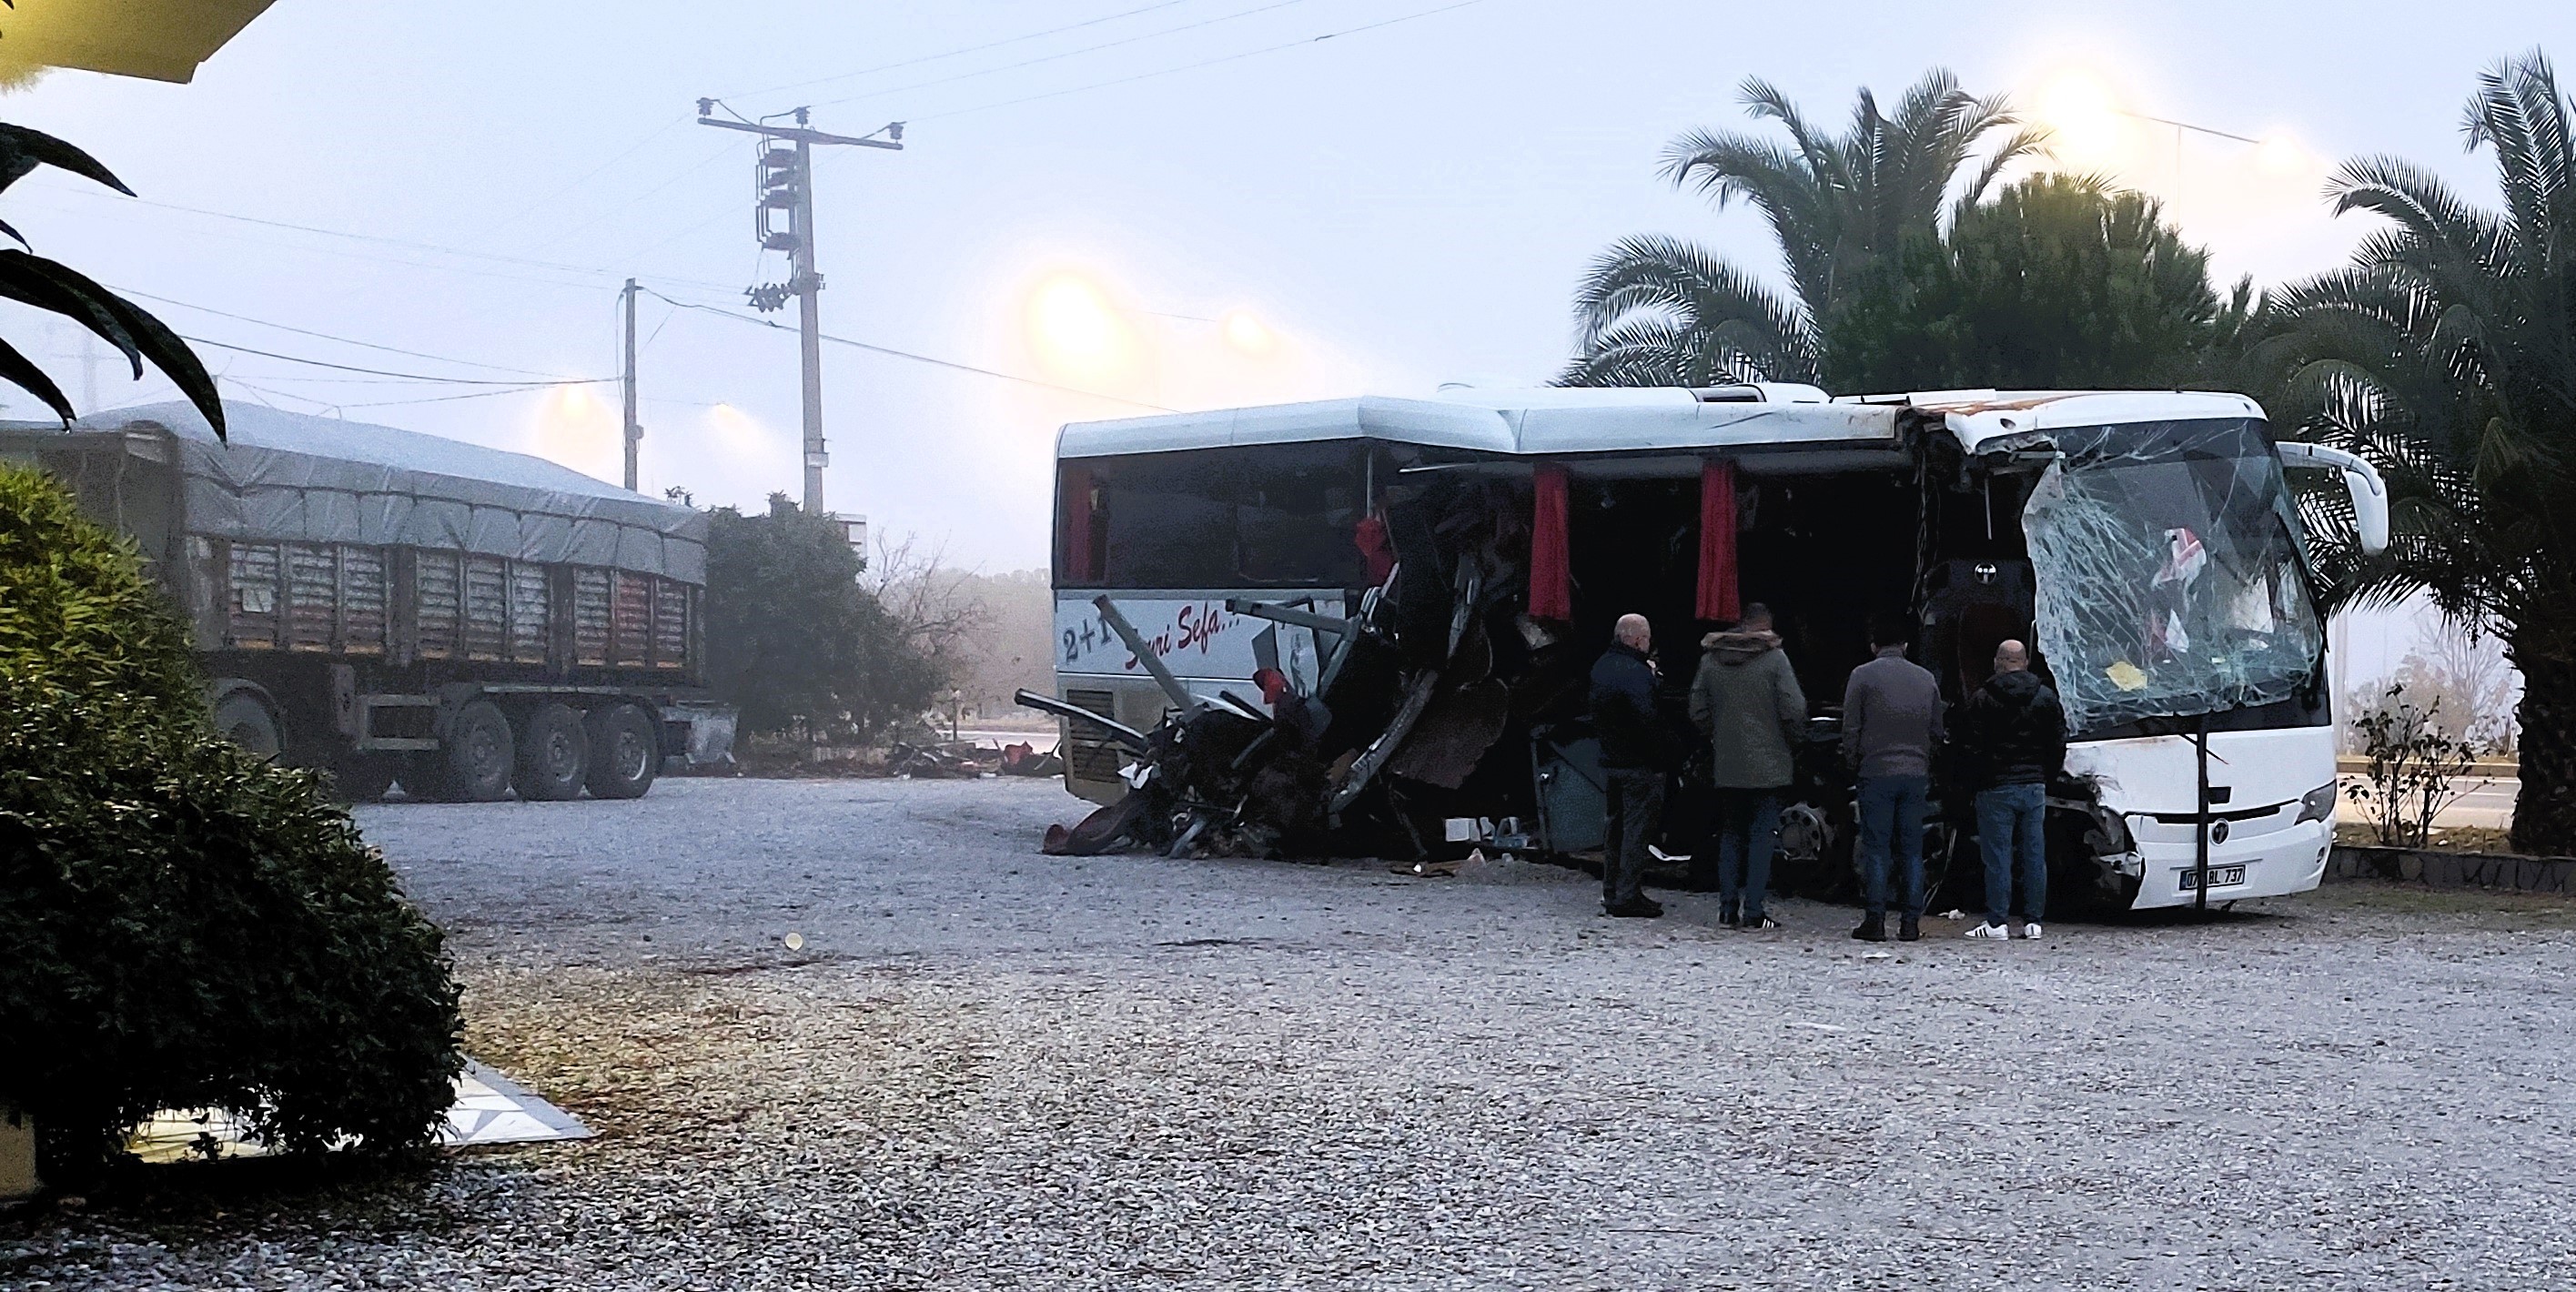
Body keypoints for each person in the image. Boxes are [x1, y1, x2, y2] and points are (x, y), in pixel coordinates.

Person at [1690, 603, 1806, 930]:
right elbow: (1794, 709)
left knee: (1730, 835)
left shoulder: (1710, 660)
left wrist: (1719, 736)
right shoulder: (1775, 660)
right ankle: (1754, 910)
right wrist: (1792, 741)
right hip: (1770, 765)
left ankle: (1727, 908)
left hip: (1727, 764)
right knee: (1761, 837)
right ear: (1766, 626)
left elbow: (1697, 709)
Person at [1841, 611, 1944, 943]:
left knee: (1877, 849)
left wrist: (1854, 762)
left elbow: (1851, 728)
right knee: (1912, 849)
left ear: (1874, 645)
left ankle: (1875, 920)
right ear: (1906, 644)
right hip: (1915, 773)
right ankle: (1911, 922)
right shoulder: (1926, 679)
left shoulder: (1861, 676)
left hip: (1875, 772)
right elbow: (1936, 730)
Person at [1955, 639, 2066, 940]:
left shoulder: (1982, 698)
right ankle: (2034, 922)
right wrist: (2047, 776)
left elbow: (1971, 747)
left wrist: (1975, 782)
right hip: (2033, 785)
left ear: (1997, 662)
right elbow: (2057, 744)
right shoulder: (2045, 697)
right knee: (2034, 854)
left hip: (1996, 787)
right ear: (2026, 662)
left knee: (1997, 857)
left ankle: (1997, 922)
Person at [1589, 612, 1680, 918]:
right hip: (1640, 764)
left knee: (1614, 828)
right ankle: (1628, 894)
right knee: (1636, 831)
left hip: (1611, 759)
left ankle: (1612, 890)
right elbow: (1649, 719)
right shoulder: (1638, 675)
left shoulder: (1601, 667)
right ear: (1639, 639)